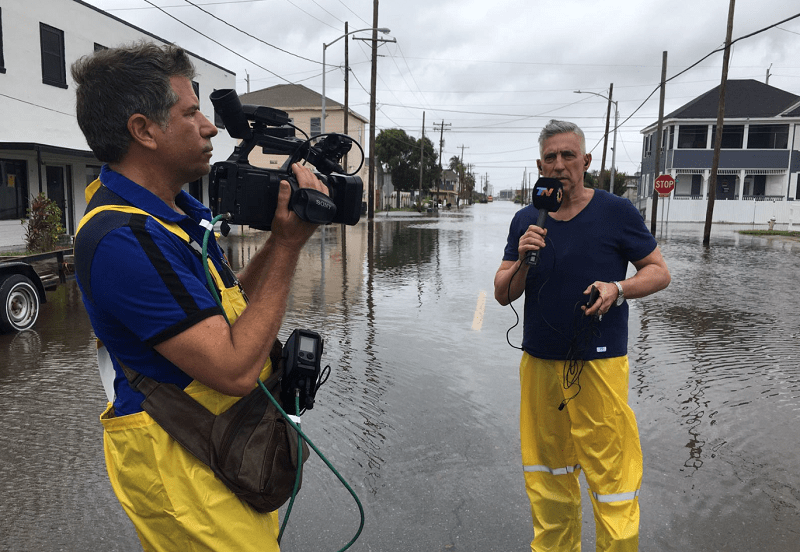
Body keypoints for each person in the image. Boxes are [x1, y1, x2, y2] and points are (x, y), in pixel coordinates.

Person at [71, 42, 326, 551]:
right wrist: (293, 247)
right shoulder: (123, 239)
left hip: (219, 454)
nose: (210, 127)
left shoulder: (176, 217)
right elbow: (232, 368)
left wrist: (280, 239)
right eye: (191, 113)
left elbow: (227, 308)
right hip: (183, 476)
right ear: (143, 130)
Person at [494, 120, 670, 551]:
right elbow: (502, 294)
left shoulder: (617, 212)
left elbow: (659, 272)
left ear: (586, 161)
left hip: (599, 364)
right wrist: (521, 259)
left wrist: (619, 288)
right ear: (540, 166)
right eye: (550, 157)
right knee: (547, 477)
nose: (559, 165)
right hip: (539, 364)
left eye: (568, 155)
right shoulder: (526, 220)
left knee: (612, 479)